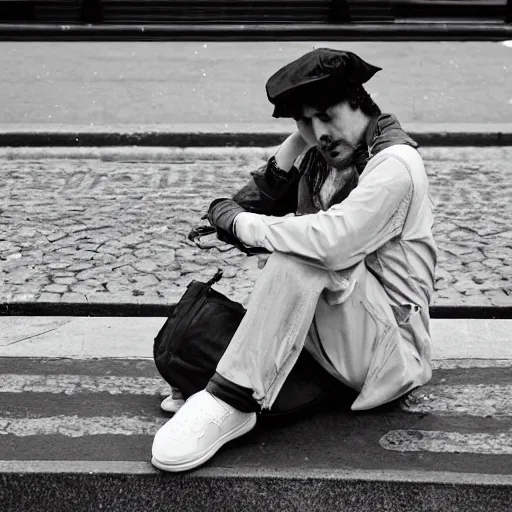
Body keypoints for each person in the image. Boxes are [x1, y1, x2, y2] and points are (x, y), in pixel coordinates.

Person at [151, 48, 438, 473]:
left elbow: (331, 244)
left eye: (327, 114)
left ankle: (230, 400)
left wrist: (243, 224)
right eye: (305, 120)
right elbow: (259, 198)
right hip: (329, 336)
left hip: (385, 354)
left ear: (360, 102)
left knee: (303, 256)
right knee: (185, 342)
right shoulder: (320, 154)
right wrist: (295, 143)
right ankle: (242, 389)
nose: (319, 131)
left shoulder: (396, 165)